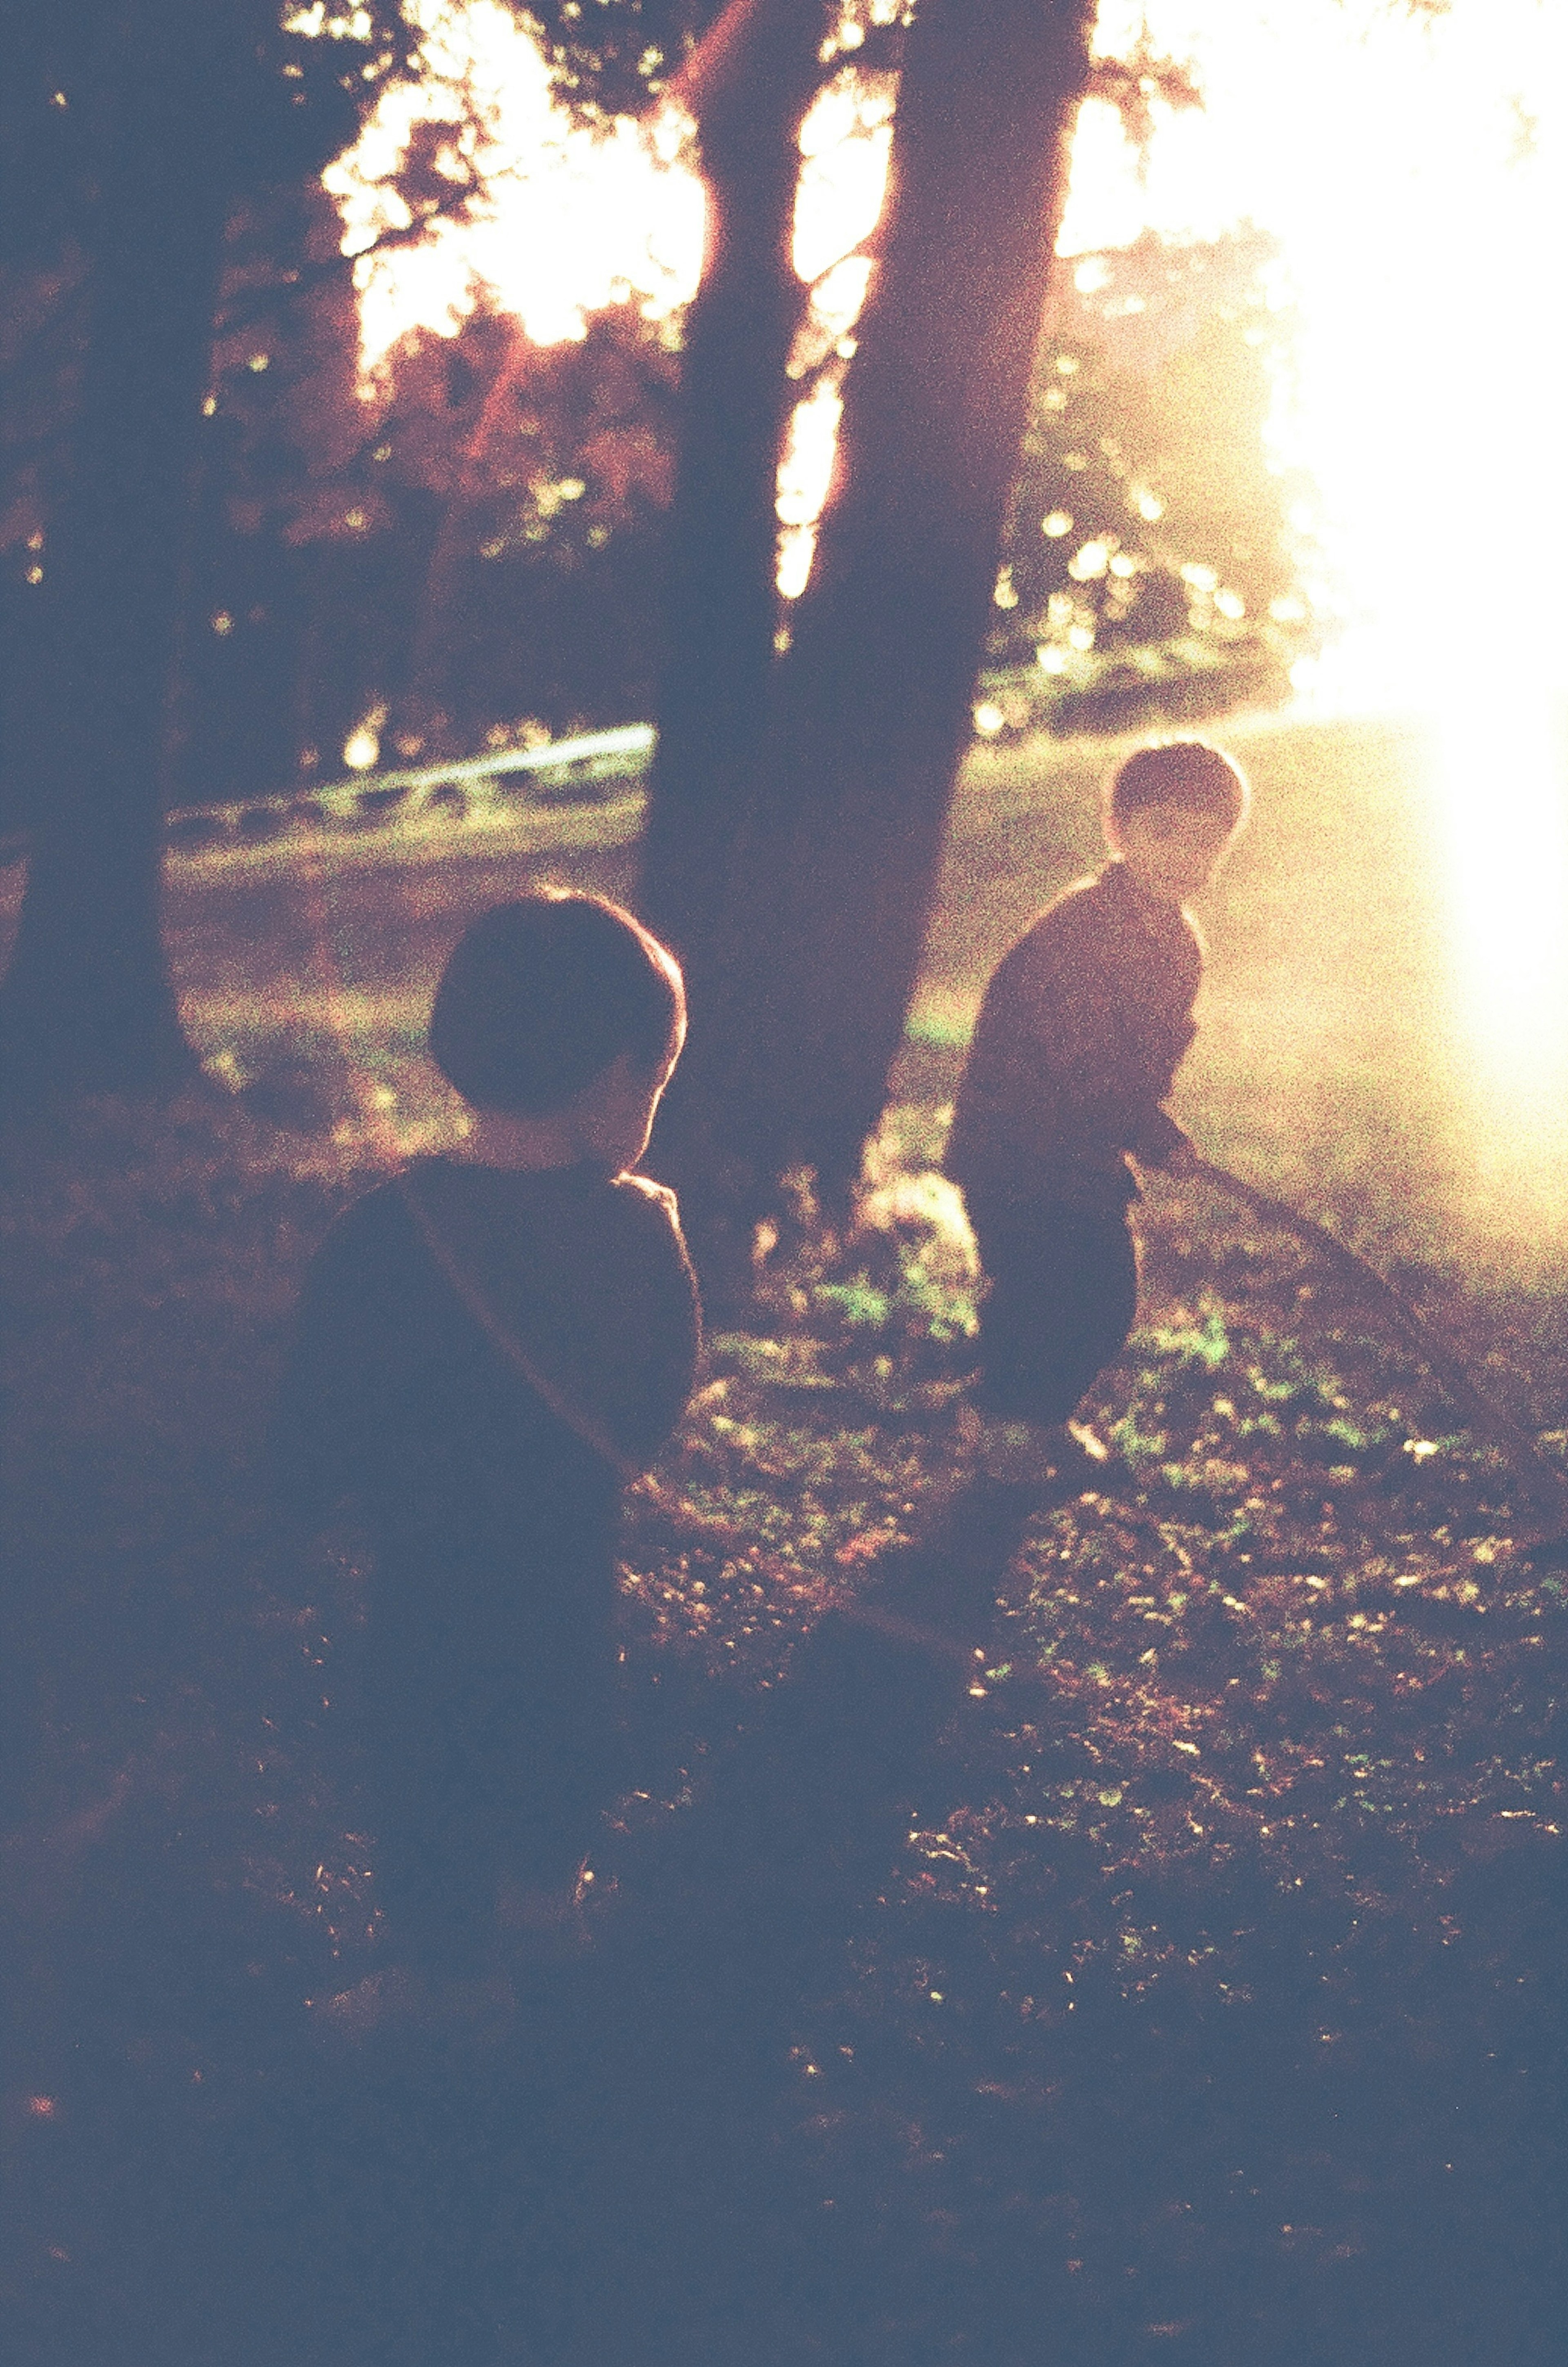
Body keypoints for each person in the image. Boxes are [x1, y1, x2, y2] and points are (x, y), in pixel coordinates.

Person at [271, 890, 700, 1995]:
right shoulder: (638, 1229)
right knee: (560, 1731)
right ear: (617, 1082)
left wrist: (320, 1500)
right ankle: (541, 1910)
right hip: (563, 1562)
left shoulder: (383, 1227)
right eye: (655, 1084)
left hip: (422, 1571)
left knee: (420, 1749)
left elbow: (321, 1399)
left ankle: (428, 1958)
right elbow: (657, 1393)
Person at [945, 738, 1250, 1488]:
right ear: (1118, 833)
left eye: (1208, 838)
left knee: (1104, 1299)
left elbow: (1141, 1058)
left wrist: (1140, 1122)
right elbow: (1080, 1056)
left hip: (1080, 1152)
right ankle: (1007, 1432)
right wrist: (1150, 1133)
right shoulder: (1086, 929)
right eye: (1165, 830)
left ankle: (1033, 1416)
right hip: (1014, 1148)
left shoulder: (1177, 939)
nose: (1186, 854)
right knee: (1046, 1292)